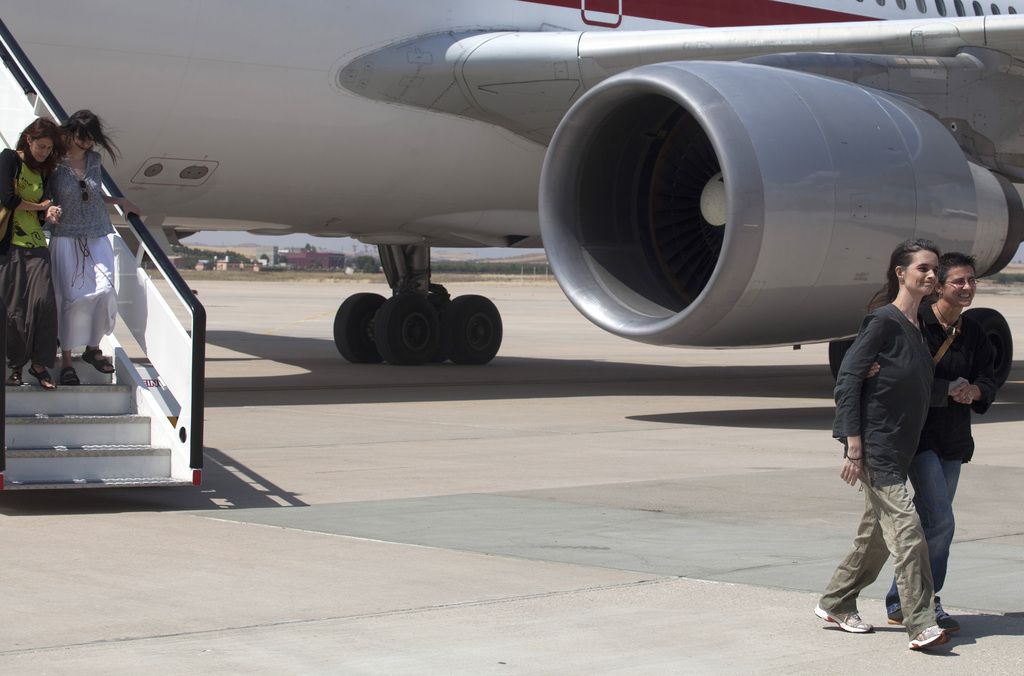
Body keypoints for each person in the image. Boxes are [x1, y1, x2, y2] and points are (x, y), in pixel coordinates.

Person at [814, 238, 950, 651]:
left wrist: (955, 388)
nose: (931, 275)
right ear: (900, 273)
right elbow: (848, 379)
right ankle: (921, 622)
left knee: (874, 538)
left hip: (902, 443)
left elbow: (909, 380)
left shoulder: (919, 324)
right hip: (878, 447)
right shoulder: (883, 321)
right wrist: (853, 446)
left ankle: (837, 601)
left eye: (934, 269)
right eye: (923, 268)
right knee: (908, 533)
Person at [883, 252, 998, 633]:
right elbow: (903, 380)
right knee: (941, 521)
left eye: (972, 281)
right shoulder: (919, 326)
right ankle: (926, 600)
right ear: (940, 286)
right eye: (959, 282)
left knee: (932, 523)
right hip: (918, 436)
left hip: (953, 438)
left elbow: (988, 375)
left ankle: (902, 600)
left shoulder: (974, 331)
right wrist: (947, 389)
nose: (967, 288)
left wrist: (977, 391)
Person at [48, 110, 139, 385]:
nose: (87, 144)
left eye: (91, 140)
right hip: (65, 234)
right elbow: (47, 193)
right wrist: (48, 210)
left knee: (105, 289)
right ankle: (66, 361)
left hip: (98, 232)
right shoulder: (53, 161)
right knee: (70, 298)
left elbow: (94, 192)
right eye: (83, 138)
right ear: (71, 132)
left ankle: (92, 347)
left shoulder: (94, 160)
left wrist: (120, 202)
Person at [0, 118, 64, 390]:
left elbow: (44, 206)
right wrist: (39, 206)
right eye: (41, 146)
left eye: (49, 148)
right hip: (10, 242)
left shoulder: (45, 170)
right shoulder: (9, 159)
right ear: (28, 140)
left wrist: (49, 211)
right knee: (15, 308)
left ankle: (39, 364)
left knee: (45, 303)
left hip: (37, 242)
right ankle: (15, 367)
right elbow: (8, 199)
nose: (45, 152)